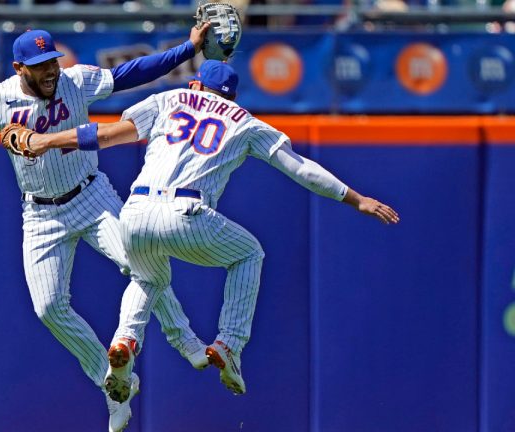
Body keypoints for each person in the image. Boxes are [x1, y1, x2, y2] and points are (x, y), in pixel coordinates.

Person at [0, 26, 212, 432]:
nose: (50, 71)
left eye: (52, 62)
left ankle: (184, 338)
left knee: (142, 261)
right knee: (48, 308)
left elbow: (132, 72)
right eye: (39, 66)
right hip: (42, 215)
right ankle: (113, 383)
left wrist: (187, 49)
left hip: (92, 196)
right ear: (19, 68)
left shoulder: (75, 80)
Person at [23, 59, 400, 402]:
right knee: (249, 253)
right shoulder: (244, 120)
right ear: (231, 96)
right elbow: (299, 168)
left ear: (198, 86)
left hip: (135, 211)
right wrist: (356, 199)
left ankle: (125, 340)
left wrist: (46, 141)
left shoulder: (172, 98)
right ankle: (229, 344)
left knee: (147, 277)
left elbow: (104, 136)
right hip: (185, 211)